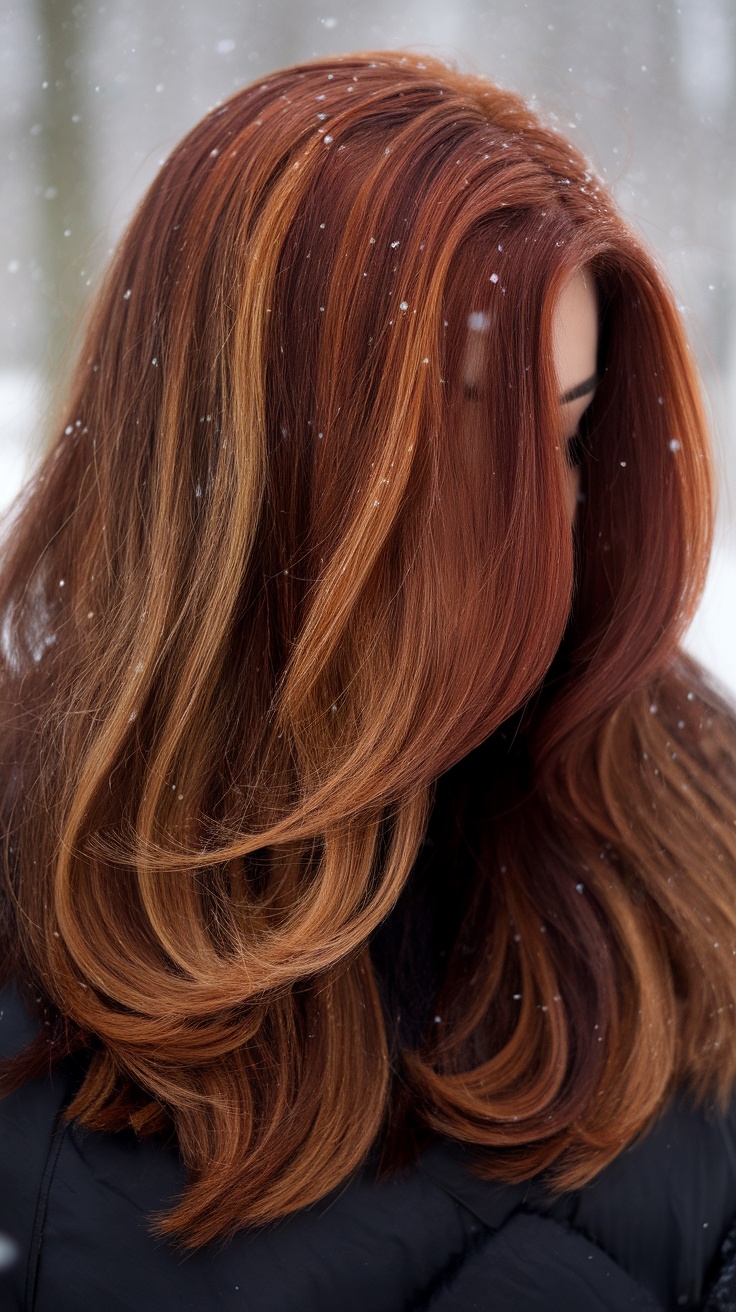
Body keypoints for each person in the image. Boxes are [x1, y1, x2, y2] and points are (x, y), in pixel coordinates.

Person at [1, 49, 735, 1312]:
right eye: (460, 442)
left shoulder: (690, 817)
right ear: (241, 455)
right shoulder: (36, 888)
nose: (536, 530)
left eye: (564, 437)